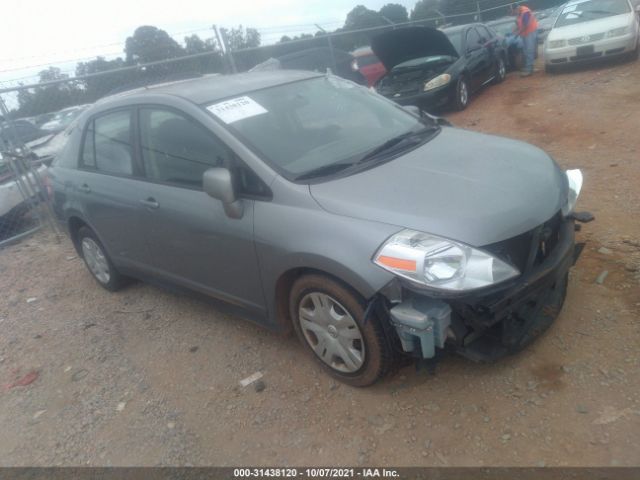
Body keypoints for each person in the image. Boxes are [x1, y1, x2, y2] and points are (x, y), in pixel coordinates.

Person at [514, 4, 538, 76]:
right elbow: (520, 24)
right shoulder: (520, 13)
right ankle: (530, 67)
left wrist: (518, 33)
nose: (514, 13)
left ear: (517, 8)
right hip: (525, 34)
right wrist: (516, 30)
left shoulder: (525, 12)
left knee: (529, 51)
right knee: (526, 51)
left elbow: (526, 25)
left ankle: (529, 69)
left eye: (514, 11)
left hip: (530, 32)